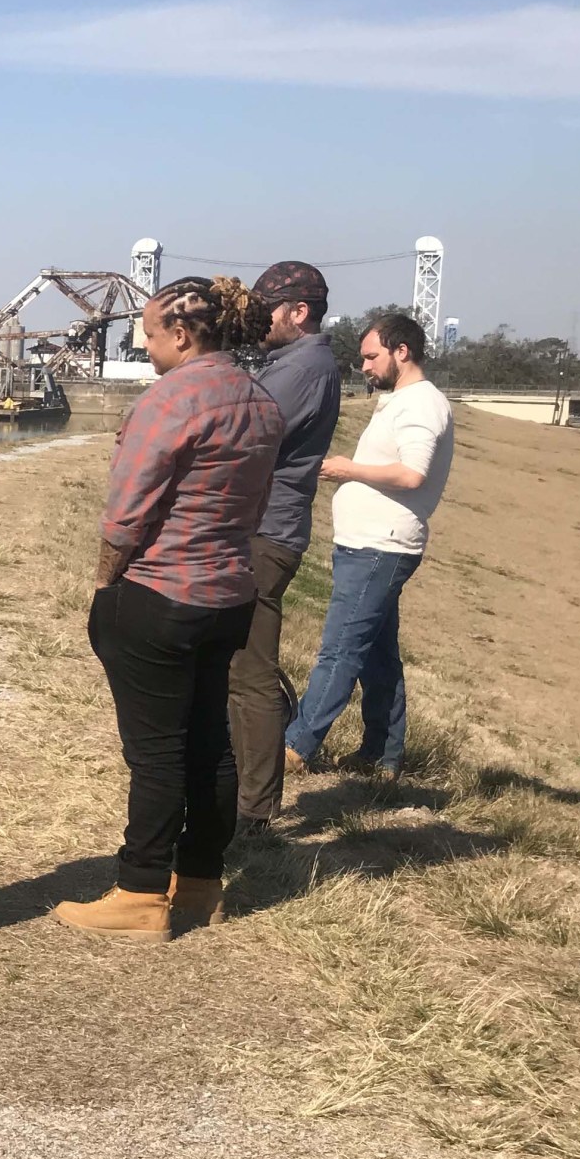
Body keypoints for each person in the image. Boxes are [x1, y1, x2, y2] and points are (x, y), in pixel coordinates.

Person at [56, 277, 282, 943]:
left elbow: (125, 515)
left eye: (150, 335)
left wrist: (105, 585)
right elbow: (259, 505)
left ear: (182, 334)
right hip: (228, 594)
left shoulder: (170, 401)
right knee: (211, 744)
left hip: (160, 593)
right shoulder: (262, 403)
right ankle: (201, 880)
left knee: (156, 754)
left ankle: (140, 890)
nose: (147, 346)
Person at [285, 313, 455, 783]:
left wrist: (347, 469)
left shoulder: (420, 405)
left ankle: (295, 746)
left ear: (402, 351)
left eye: (370, 356)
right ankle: (382, 755)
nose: (363, 366)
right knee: (377, 654)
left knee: (339, 651)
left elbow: (412, 474)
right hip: (371, 545)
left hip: (381, 546)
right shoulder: (405, 401)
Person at [229, 262, 344, 836]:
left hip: (265, 534)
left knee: (251, 673)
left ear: (298, 311)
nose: (256, 319)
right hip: (262, 529)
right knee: (241, 667)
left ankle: (254, 810)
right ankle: (244, 790)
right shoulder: (293, 364)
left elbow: (244, 433)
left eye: (265, 309)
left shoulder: (304, 368)